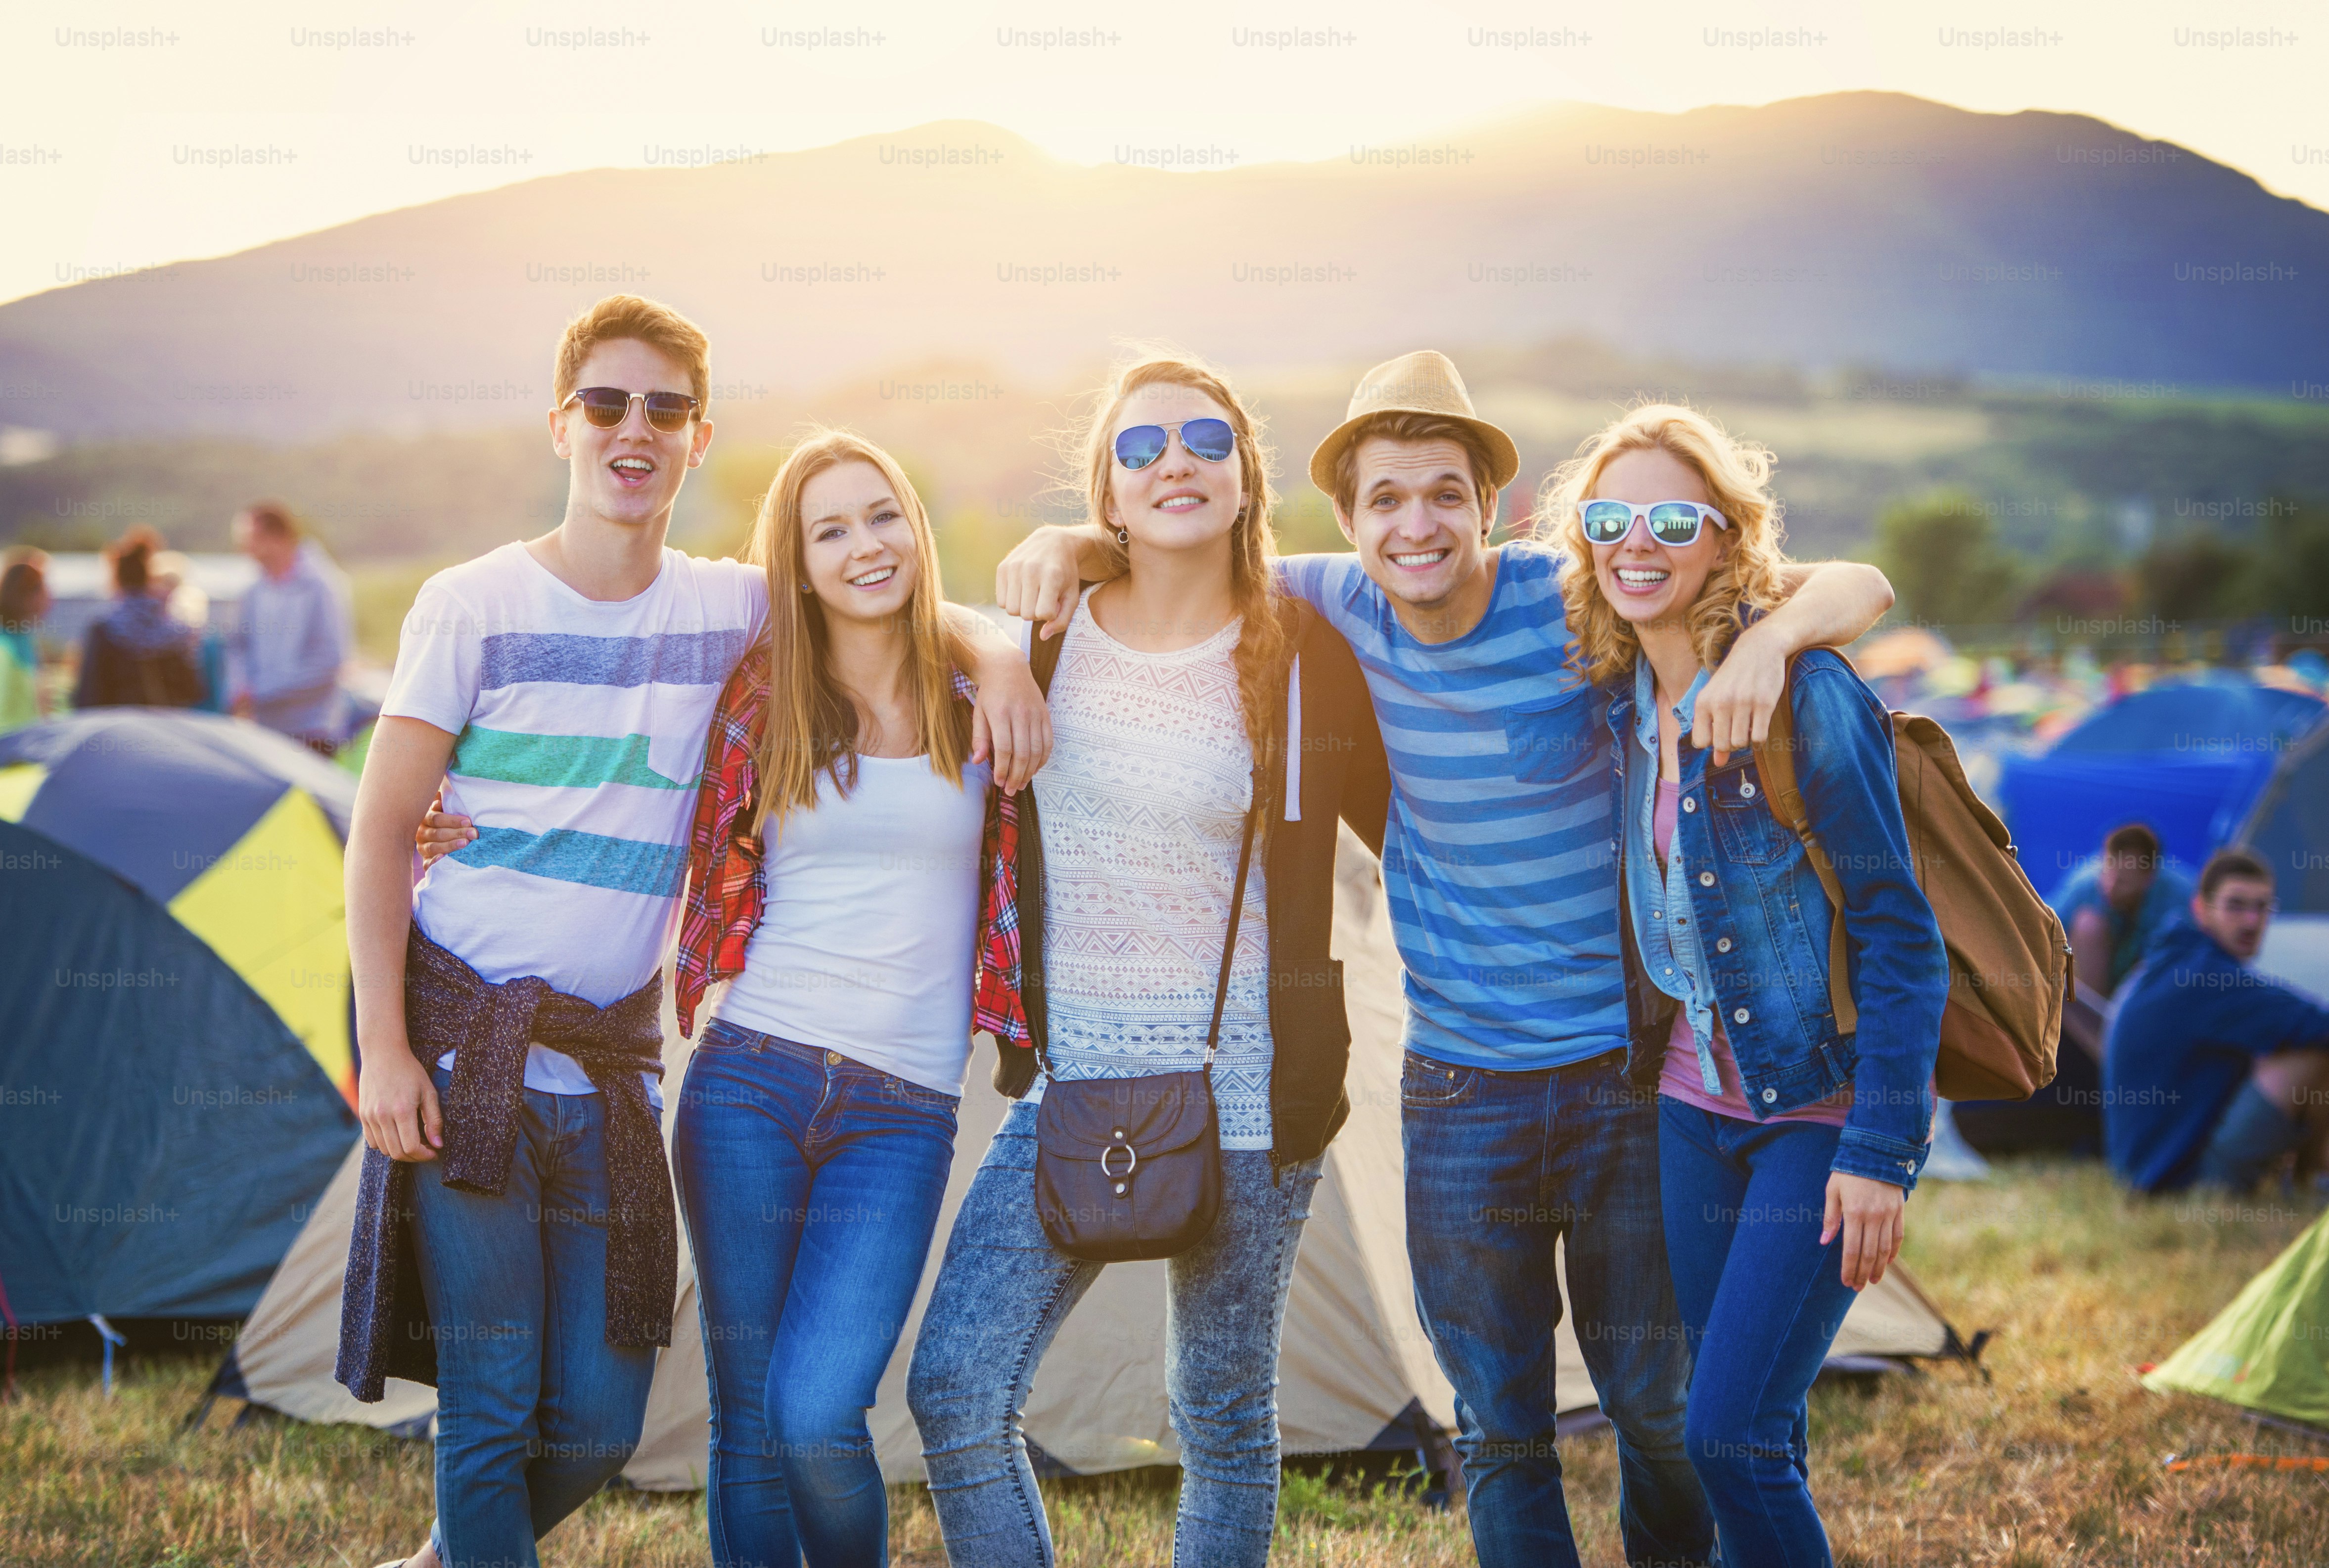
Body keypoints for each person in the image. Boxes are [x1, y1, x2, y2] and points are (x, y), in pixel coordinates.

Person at [997, 351, 1897, 1568]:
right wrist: (1069, 543)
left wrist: (1767, 643)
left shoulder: (1575, 599)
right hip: (1459, 1093)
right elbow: (1177, 547)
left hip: (1626, 1083)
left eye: (1441, 495)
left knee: (1657, 1407)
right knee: (1498, 1428)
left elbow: (1858, 583)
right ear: (1345, 520)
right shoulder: (1325, 604)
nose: (1412, 526)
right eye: (1383, 499)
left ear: (1491, 507)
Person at [340, 295, 1047, 1568]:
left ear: (697, 437)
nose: (636, 428)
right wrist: (382, 1049)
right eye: (607, 403)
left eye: (664, 408)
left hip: (617, 1069)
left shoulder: (727, 610)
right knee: (496, 1407)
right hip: (473, 1045)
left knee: (605, 1423)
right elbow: (381, 830)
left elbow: (878, 589)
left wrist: (997, 658)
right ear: (562, 423)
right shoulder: (469, 602)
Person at [906, 349, 1391, 1568]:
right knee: (955, 1387)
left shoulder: (1302, 652)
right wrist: (1011, 619)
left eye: (1205, 440)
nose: (1175, 461)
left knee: (1219, 1412)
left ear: (1245, 479)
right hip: (1071, 1083)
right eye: (1140, 446)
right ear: (1107, 493)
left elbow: (1408, 826)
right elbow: (903, 627)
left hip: (1250, 1094)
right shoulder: (1042, 636)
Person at [1564, 403, 1946, 1567]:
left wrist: (1878, 1150)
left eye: (1672, 520)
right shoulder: (1616, 699)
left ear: (1725, 538)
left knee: (1725, 1438)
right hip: (1690, 1112)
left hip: (1813, 1111)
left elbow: (1899, 934)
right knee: (1751, 1427)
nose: (1636, 541)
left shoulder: (1804, 694)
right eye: (1607, 519)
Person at [2103, 847, 2329, 1194]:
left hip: (2149, 1170)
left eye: (2262, 907)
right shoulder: (2205, 978)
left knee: (2284, 1044)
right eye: (2235, 905)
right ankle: (2314, 1182)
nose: (2251, 922)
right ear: (2201, 909)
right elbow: (2315, 1024)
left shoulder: (2179, 962)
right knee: (2313, 1053)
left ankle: (2304, 1179)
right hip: (2180, 1181)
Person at [232, 501, 354, 752]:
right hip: (266, 729)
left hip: (312, 730)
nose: (243, 548)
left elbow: (329, 659)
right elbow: (238, 645)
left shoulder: (322, 586)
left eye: (250, 539)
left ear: (277, 538)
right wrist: (238, 686)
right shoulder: (255, 590)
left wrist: (260, 692)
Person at [72, 527, 205, 709]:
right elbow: (193, 691)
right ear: (150, 578)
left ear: (116, 578)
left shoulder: (103, 630)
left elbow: (88, 696)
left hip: (118, 723)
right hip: (165, 723)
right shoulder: (178, 631)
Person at [0, 549, 50, 734]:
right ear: (26, 595)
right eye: (43, 589)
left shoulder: (21, 637)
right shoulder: (10, 642)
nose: (49, 597)